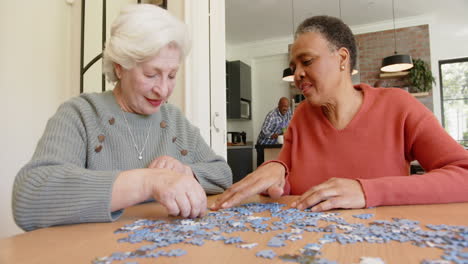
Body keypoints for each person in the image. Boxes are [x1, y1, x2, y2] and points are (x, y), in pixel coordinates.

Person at [211, 15, 468, 212]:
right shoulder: (301, 115)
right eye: (293, 66)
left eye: (307, 61)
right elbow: (287, 183)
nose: (297, 74)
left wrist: (366, 191)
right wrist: (275, 170)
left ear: (342, 58)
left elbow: (464, 174)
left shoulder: (399, 106)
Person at [13, 4, 232, 231]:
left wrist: (186, 172)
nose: (164, 90)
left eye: (172, 75)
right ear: (120, 68)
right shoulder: (81, 113)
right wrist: (149, 182)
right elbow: (30, 197)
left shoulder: (174, 119)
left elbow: (222, 174)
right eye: (151, 74)